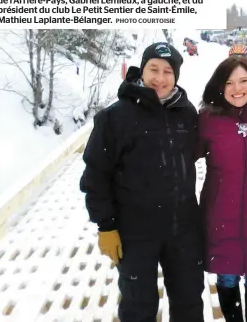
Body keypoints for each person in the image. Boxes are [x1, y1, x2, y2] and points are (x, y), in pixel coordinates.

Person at [79, 42, 205, 322]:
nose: (160, 78)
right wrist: (106, 225)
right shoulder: (115, 117)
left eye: (168, 72)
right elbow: (96, 174)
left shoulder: (187, 114)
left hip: (183, 228)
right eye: (154, 69)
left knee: (189, 304)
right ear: (142, 70)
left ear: (176, 76)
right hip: (135, 232)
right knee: (138, 307)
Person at [197, 56, 247, 322]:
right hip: (220, 215)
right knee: (227, 277)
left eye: (244, 81)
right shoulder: (207, 118)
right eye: (229, 82)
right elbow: (181, 152)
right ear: (219, 86)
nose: (237, 88)